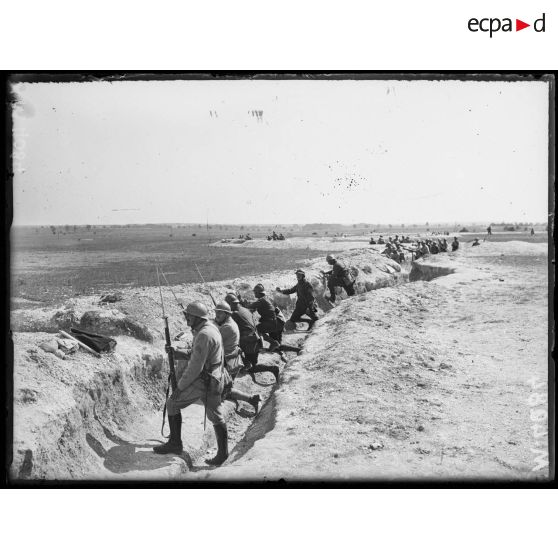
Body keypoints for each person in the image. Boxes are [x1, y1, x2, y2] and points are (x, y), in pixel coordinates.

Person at [154, 301, 229, 466]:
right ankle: (223, 454)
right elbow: (199, 354)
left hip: (205, 380)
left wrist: (179, 388)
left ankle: (175, 444)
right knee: (216, 415)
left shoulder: (203, 334)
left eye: (188, 315)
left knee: (172, 403)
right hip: (214, 378)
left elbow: (195, 368)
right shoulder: (210, 328)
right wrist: (178, 352)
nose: (186, 318)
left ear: (196, 317)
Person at [214, 302, 261, 412]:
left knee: (216, 396)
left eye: (219, 313)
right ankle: (252, 399)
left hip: (228, 364)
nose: (217, 315)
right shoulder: (229, 322)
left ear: (227, 314)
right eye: (216, 312)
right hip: (232, 362)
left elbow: (213, 341)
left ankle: (252, 399)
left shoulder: (227, 327)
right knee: (224, 390)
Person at [224, 292, 280, 382]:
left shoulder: (234, 314)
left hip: (250, 345)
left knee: (251, 367)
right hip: (255, 341)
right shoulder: (244, 309)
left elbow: (225, 323)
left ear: (230, 304)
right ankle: (246, 363)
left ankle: (272, 369)